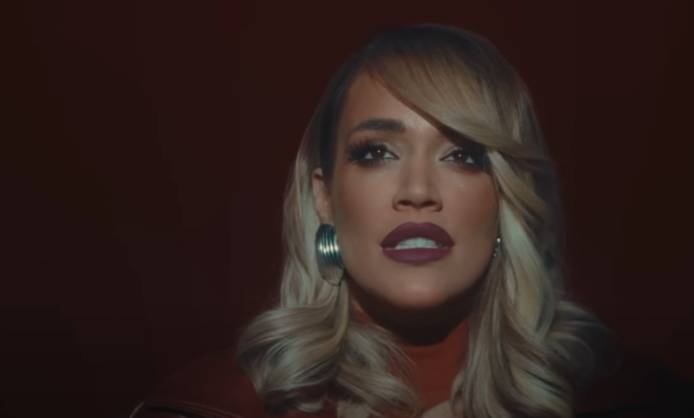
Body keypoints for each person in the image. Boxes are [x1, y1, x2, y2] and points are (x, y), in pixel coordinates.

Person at [133, 24, 607, 418]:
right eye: (376, 153)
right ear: (324, 197)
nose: (417, 191)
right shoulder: (214, 406)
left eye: (463, 155)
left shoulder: (619, 397)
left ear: (508, 197)